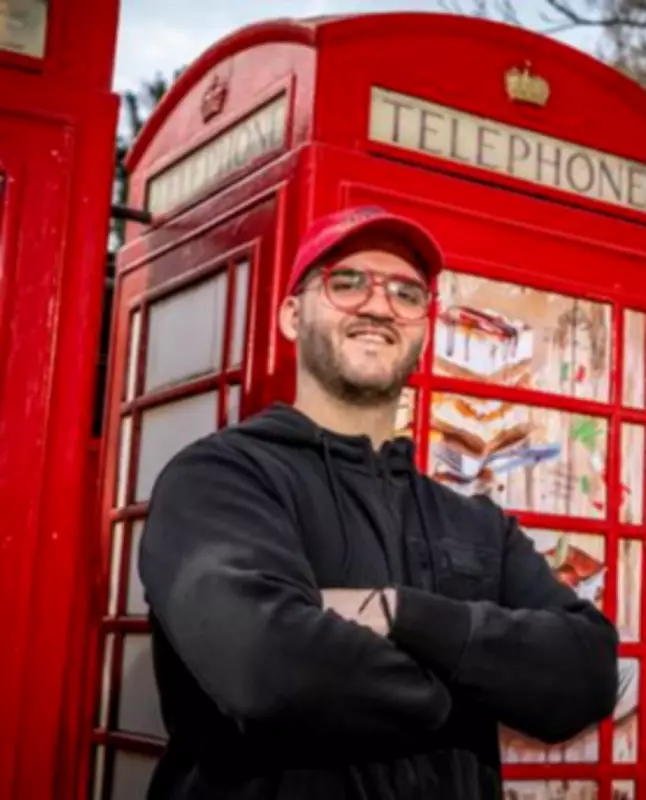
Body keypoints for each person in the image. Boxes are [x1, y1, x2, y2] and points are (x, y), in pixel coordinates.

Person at [138, 205, 619, 800]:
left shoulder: (474, 522)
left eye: (406, 293)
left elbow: (591, 674)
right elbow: (268, 670)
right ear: (293, 314)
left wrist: (402, 614)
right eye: (346, 282)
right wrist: (481, 684)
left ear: (424, 325)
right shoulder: (219, 479)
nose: (378, 305)